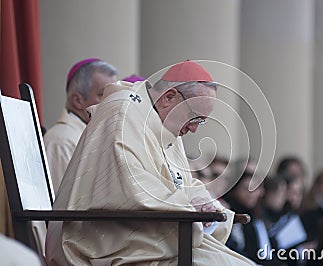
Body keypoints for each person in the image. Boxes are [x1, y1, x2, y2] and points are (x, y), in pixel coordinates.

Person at [45, 60, 254, 265]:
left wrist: (203, 202)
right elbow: (132, 189)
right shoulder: (122, 113)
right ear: (169, 97)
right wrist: (189, 207)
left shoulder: (166, 125)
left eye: (201, 121)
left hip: (147, 239)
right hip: (103, 244)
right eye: (194, 117)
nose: (194, 129)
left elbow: (184, 182)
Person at [44, 58, 118, 193]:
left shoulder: (98, 135)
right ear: (78, 100)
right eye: (103, 94)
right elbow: (60, 209)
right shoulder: (61, 142)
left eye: (113, 94)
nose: (112, 101)